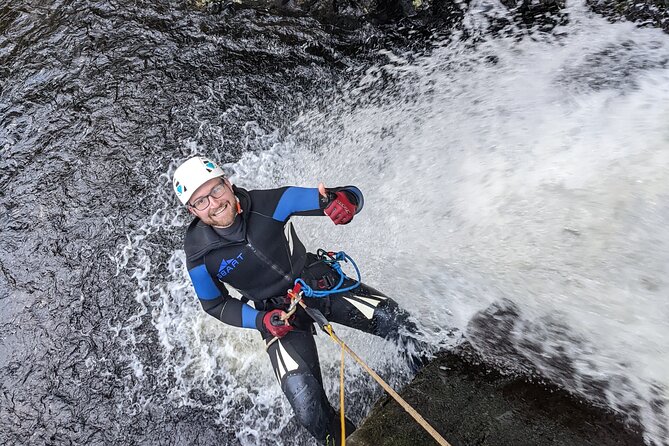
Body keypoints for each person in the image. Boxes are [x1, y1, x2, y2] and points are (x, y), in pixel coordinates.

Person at [173, 156, 425, 445]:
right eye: (201, 201)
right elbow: (215, 305)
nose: (214, 204)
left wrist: (342, 203)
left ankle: (430, 381)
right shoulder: (199, 255)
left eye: (216, 190)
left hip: (317, 283)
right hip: (276, 317)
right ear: (192, 210)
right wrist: (260, 320)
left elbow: (349, 195)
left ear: (228, 183)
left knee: (400, 324)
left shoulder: (269, 203)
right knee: (308, 409)